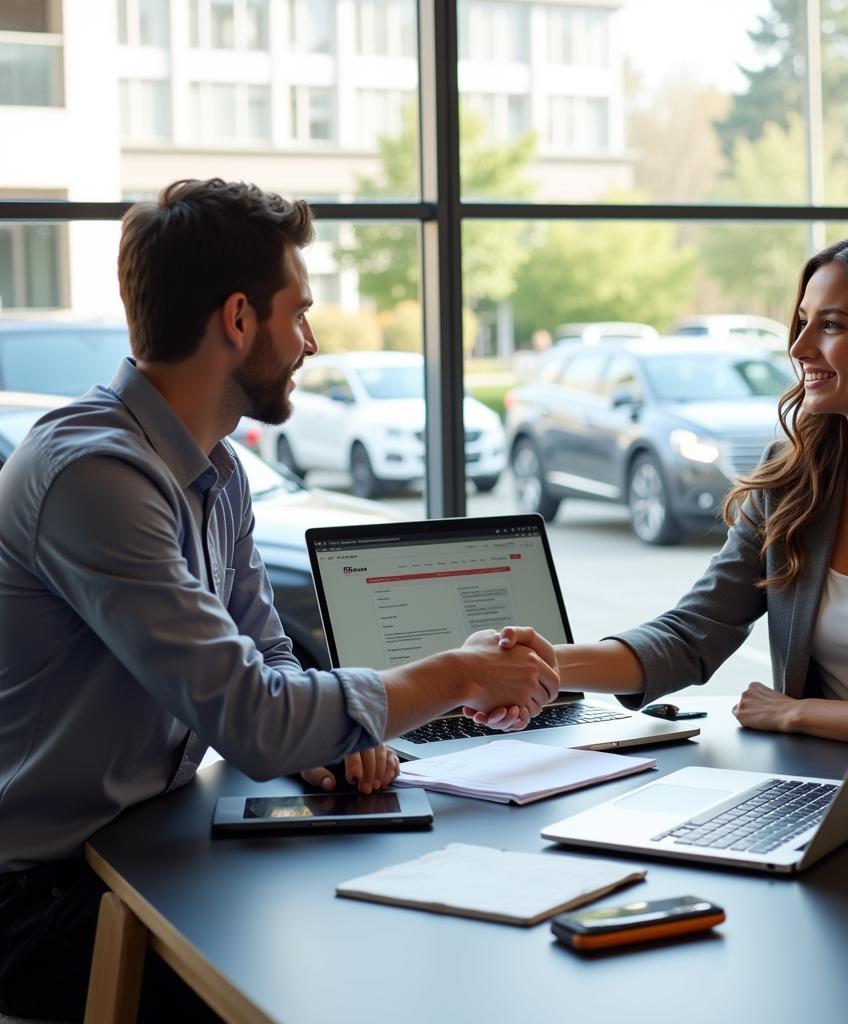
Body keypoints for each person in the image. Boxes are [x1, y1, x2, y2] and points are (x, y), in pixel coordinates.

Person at [0, 178, 557, 1022]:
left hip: (142, 846)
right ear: (237, 320)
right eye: (297, 314)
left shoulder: (216, 470)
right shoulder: (94, 476)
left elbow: (268, 657)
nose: (311, 341)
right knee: (348, 983)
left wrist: (331, 737)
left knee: (394, 924)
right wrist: (458, 674)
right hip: (38, 897)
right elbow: (253, 719)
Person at [476, 231, 848, 770]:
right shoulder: (794, 475)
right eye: (803, 321)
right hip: (824, 785)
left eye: (831, 325)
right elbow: (692, 634)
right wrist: (545, 663)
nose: (800, 347)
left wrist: (797, 713)